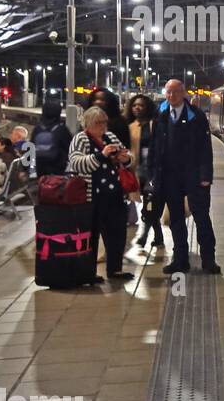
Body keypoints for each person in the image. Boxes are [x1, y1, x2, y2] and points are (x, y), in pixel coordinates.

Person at [150, 79, 219, 274]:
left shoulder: (196, 117)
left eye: (176, 92)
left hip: (195, 176)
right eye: (169, 93)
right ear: (165, 95)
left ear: (183, 93)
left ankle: (208, 260)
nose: (172, 96)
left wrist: (206, 174)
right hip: (170, 177)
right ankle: (180, 260)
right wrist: (154, 175)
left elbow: (206, 148)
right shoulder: (161, 117)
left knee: (202, 217)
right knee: (176, 220)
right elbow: (155, 148)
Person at [67, 106, 134, 282]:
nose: (103, 126)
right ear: (88, 123)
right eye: (98, 123)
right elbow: (76, 163)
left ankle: (115, 269)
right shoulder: (80, 139)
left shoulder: (110, 137)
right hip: (92, 197)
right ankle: (88, 273)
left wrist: (125, 158)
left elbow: (128, 156)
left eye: (104, 122)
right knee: (91, 235)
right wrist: (100, 156)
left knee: (117, 234)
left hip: (115, 195)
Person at [126, 93, 164, 251]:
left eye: (140, 105)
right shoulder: (130, 126)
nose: (137, 108)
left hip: (153, 171)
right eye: (134, 105)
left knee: (149, 205)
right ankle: (158, 235)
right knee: (149, 206)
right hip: (136, 170)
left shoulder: (154, 124)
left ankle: (144, 235)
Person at [29, 101, 72, 177]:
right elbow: (70, 149)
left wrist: (26, 169)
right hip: (58, 172)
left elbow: (30, 149)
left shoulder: (38, 129)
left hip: (40, 171)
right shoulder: (62, 129)